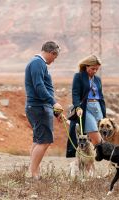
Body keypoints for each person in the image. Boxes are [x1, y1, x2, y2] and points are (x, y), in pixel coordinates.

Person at [24, 41, 63, 179]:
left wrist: (53, 109)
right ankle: (34, 174)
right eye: (55, 57)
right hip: (38, 107)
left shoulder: (38, 63)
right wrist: (53, 102)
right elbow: (39, 87)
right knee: (44, 141)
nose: (54, 60)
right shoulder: (37, 63)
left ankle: (34, 171)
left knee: (38, 140)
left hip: (39, 106)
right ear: (52, 53)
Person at [66, 54, 106, 154]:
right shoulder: (78, 76)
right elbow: (75, 94)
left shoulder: (97, 79)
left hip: (98, 108)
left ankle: (89, 164)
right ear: (86, 66)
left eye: (97, 69)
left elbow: (101, 97)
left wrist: (104, 113)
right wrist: (78, 107)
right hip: (85, 108)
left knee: (100, 136)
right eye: (93, 68)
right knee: (96, 138)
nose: (95, 71)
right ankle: (102, 157)